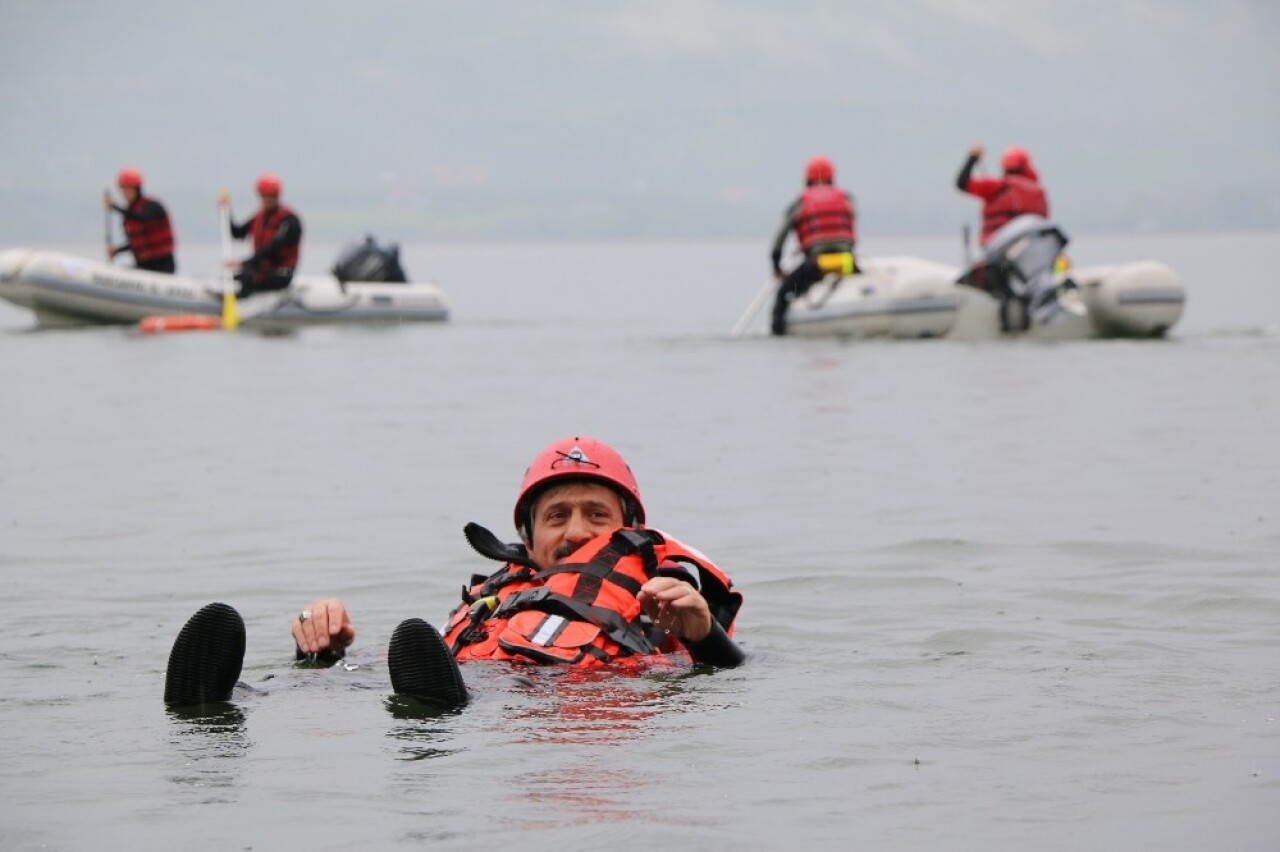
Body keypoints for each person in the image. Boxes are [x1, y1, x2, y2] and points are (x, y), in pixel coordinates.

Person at [163, 436, 746, 710]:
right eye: (556, 516)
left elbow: (735, 674)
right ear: (527, 539)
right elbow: (430, 651)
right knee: (336, 679)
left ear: (628, 527)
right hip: (462, 678)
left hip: (546, 695)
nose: (574, 531)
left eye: (597, 515)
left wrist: (705, 636)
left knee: (449, 694)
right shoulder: (500, 596)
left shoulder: (662, 595)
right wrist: (326, 652)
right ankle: (223, 696)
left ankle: (435, 708)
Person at [767, 155, 858, 336]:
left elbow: (779, 240)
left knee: (785, 292)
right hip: (847, 262)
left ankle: (778, 333)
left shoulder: (800, 203)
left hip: (815, 265)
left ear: (807, 179)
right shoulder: (847, 199)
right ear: (832, 177)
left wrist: (777, 266)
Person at [218, 173, 303, 298]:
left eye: (271, 196)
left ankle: (241, 306)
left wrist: (243, 263)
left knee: (246, 279)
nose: (267, 200)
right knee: (232, 278)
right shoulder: (259, 216)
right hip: (261, 271)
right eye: (264, 196)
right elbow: (237, 233)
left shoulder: (289, 221)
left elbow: (272, 248)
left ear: (277, 196)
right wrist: (226, 211)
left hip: (280, 275)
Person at [955, 145, 1050, 246]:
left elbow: (962, 183)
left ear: (1004, 167)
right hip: (1032, 244)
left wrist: (972, 157)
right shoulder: (1038, 191)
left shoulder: (999, 186)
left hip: (998, 243)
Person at [103, 168, 177, 274]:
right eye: (123, 190)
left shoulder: (153, 206)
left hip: (162, 266)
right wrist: (117, 251)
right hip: (144, 265)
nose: (125, 193)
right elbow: (137, 243)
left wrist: (114, 207)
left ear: (137, 189)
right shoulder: (129, 213)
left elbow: (142, 218)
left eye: (128, 189)